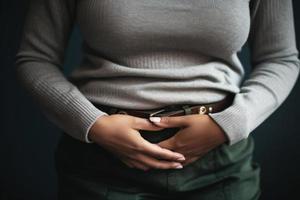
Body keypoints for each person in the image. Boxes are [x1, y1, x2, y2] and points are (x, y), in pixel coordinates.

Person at [15, 0, 299, 199]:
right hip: (102, 161)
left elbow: (281, 59)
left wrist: (229, 123)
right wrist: (94, 124)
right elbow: (35, 58)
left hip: (219, 162)